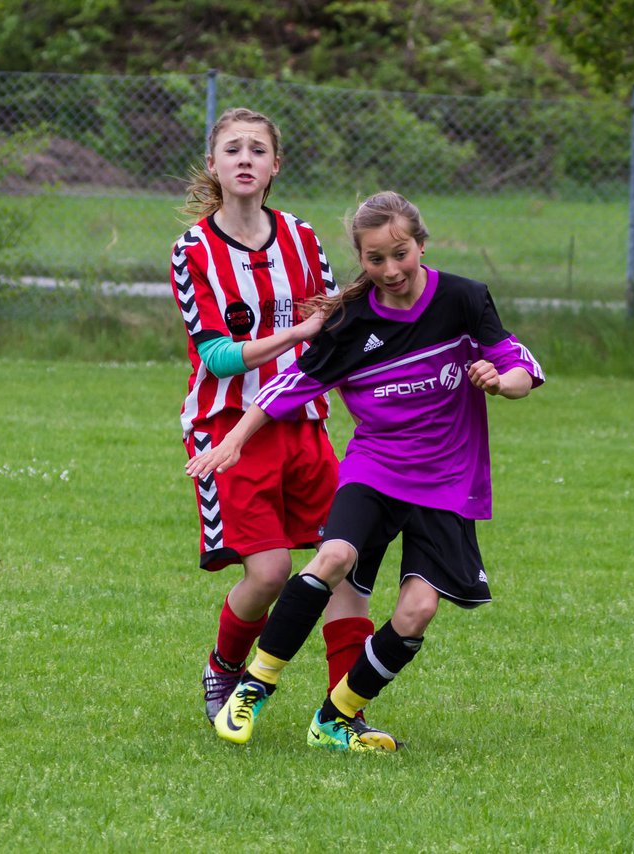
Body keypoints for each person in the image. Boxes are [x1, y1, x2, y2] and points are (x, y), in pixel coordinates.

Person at [185, 190, 545, 752]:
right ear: (361, 259)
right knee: (334, 557)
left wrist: (500, 383)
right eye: (375, 259)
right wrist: (232, 441)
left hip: (448, 479)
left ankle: (337, 717)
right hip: (375, 468)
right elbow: (288, 387)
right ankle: (253, 686)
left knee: (418, 609)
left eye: (400, 253)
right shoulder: (351, 322)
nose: (391, 269)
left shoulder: (464, 299)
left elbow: (522, 364)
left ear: (421, 244)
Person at [171, 108, 392, 744]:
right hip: (228, 430)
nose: (245, 159)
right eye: (231, 149)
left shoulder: (300, 237)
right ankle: (224, 666)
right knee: (268, 574)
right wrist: (295, 333)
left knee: (344, 566)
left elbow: (336, 325)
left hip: (305, 426)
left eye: (257, 149)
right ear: (213, 166)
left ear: (275, 164)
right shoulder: (194, 251)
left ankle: (342, 714)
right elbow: (213, 353)